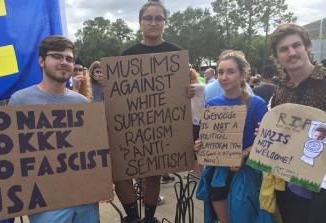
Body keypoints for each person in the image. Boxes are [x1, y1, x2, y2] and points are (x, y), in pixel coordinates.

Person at [113, 1, 196, 222]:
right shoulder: (127, 55)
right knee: (121, 171)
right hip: (132, 124)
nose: (153, 22)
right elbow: (118, 93)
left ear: (164, 23)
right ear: (140, 22)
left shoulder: (176, 53)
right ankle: (132, 216)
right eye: (148, 18)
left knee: (154, 172)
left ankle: (149, 217)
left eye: (159, 18)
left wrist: (189, 91)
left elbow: (185, 90)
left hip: (163, 124)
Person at [8, 36, 99, 223]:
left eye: (69, 59)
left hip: (85, 199)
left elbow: (90, 150)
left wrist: (102, 180)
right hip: (46, 203)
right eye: (57, 56)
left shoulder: (81, 102)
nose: (64, 62)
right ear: (41, 61)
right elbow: (10, 155)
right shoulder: (20, 100)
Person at [195, 50, 272, 223]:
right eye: (221, 72)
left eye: (230, 72)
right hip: (217, 176)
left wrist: (243, 154)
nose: (224, 77)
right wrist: (200, 146)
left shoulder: (256, 104)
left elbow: (264, 143)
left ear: (243, 74)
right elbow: (207, 139)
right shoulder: (212, 105)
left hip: (246, 177)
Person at [263, 23, 326, 223]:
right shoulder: (281, 89)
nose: (291, 52)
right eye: (283, 49)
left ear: (307, 47)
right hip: (291, 182)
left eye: (296, 45)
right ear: (277, 57)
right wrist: (265, 132)